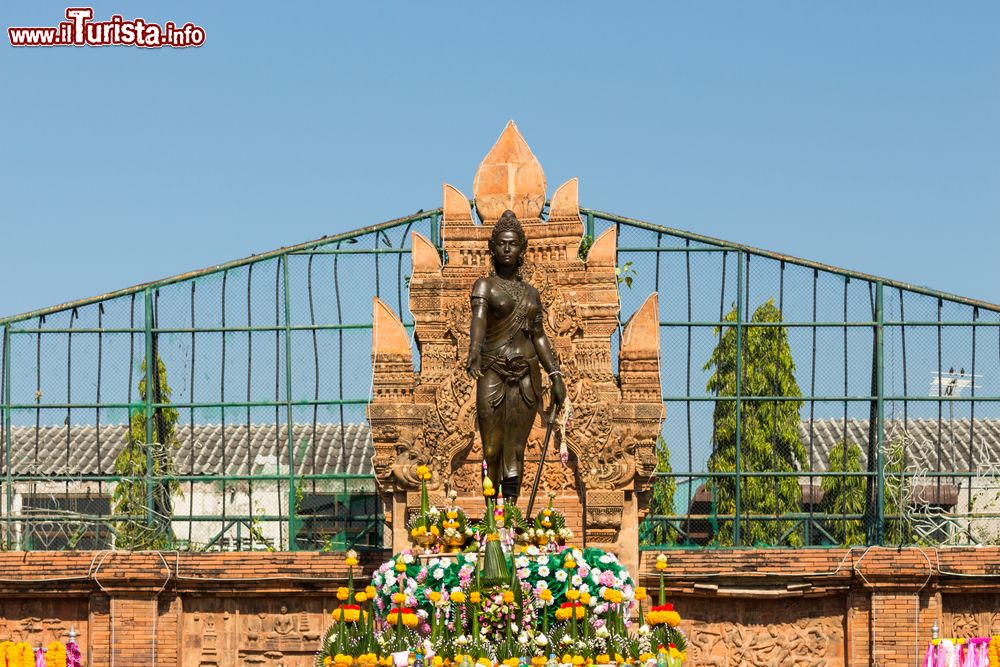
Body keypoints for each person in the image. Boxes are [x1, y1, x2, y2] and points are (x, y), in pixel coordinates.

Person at [466, 209, 566, 501]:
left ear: (522, 249)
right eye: (502, 243)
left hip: (526, 375)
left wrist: (555, 375)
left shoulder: (531, 294)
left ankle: (510, 516)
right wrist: (474, 350)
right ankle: (490, 518)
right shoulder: (484, 286)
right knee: (492, 448)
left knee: (515, 451)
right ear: (492, 248)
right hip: (493, 370)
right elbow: (479, 320)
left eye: (513, 243)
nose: (507, 248)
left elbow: (539, 336)